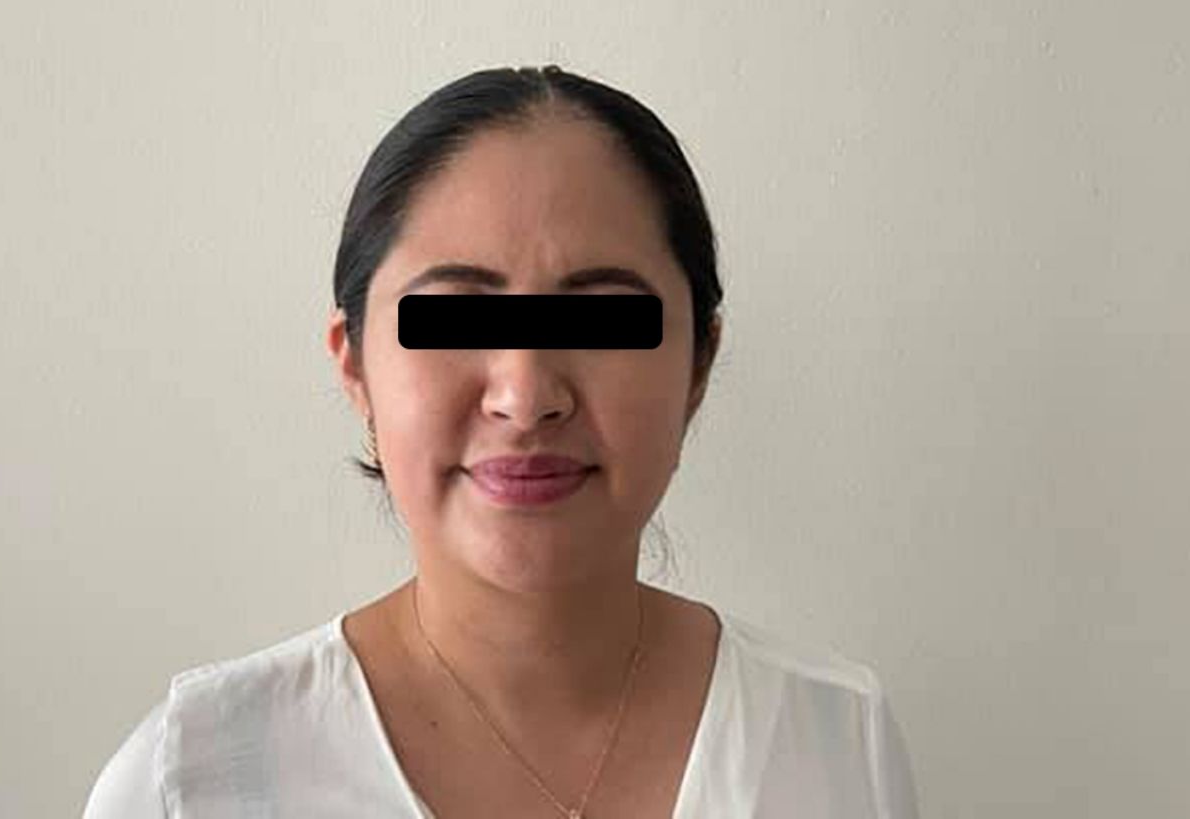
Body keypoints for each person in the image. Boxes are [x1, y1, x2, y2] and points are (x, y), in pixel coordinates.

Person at [83, 64, 919, 819]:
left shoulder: (835, 739)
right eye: (455, 316)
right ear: (356, 364)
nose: (526, 397)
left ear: (698, 362)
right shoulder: (192, 780)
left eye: (601, 318)